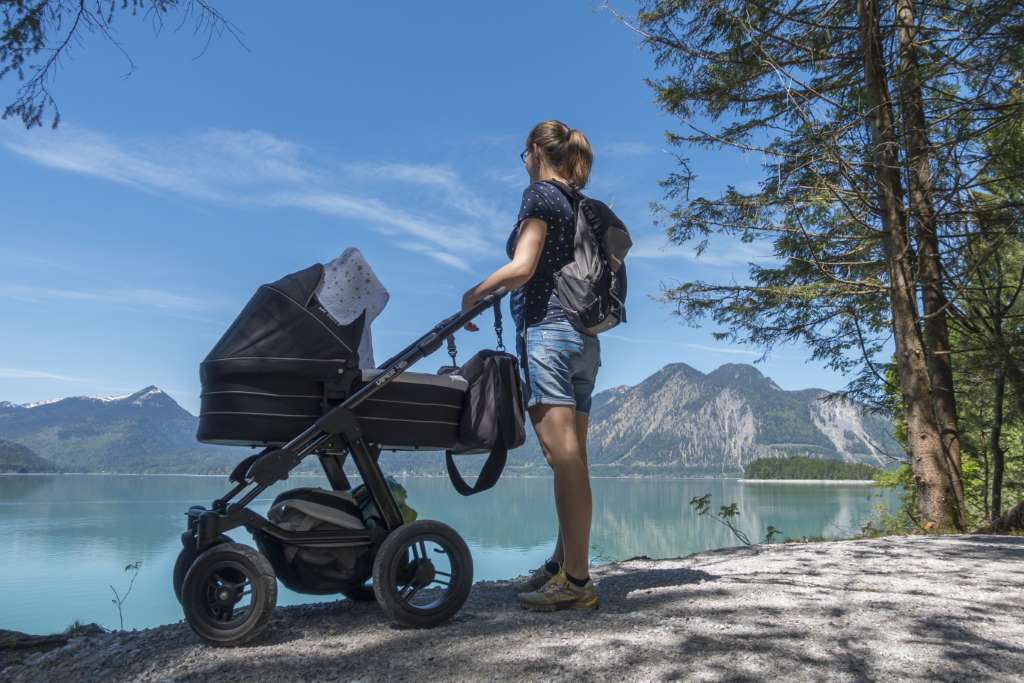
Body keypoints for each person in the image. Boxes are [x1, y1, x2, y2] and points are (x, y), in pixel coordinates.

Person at [460, 119, 600, 611]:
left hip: (549, 333)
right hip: (585, 340)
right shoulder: (580, 202)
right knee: (573, 460)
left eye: (523, 154)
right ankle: (563, 565)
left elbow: (523, 268)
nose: (522, 163)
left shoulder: (540, 195)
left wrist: (474, 293)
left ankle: (577, 583)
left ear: (536, 153)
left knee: (562, 459)